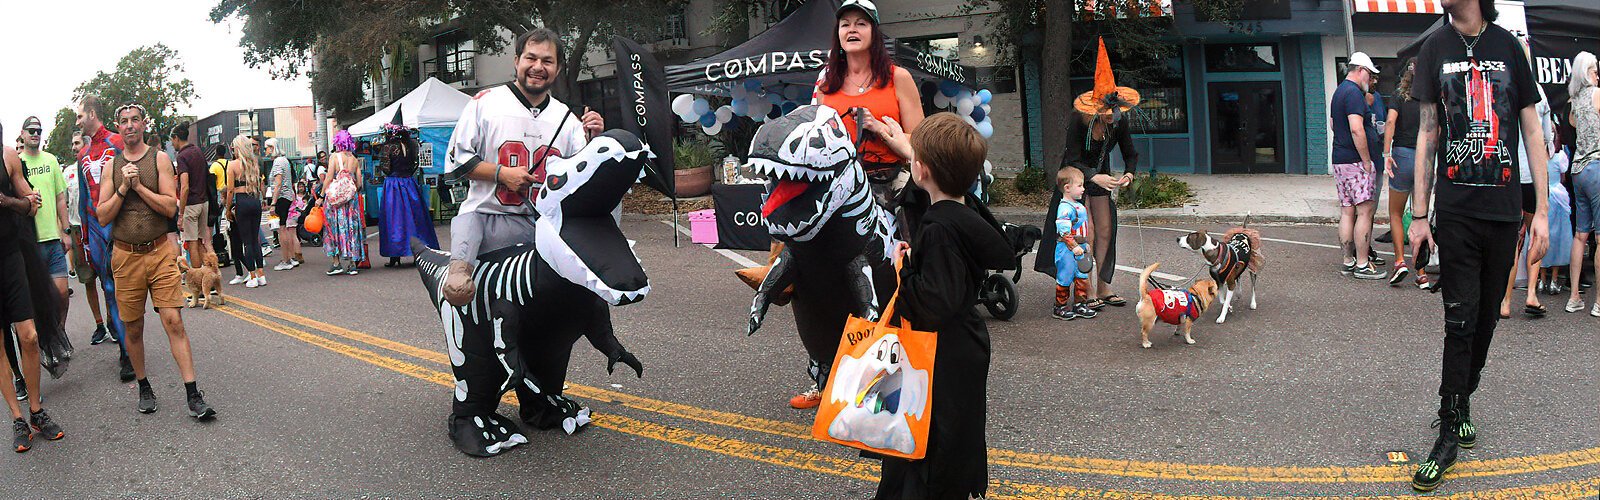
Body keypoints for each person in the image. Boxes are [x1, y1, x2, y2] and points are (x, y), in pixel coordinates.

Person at [1406, 0, 1550, 490]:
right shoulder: (1433, 48)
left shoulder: (1508, 46)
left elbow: (1532, 129)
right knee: (1460, 319)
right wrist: (1419, 216)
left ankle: (1464, 398)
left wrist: (1544, 212)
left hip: (1505, 208)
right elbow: (1427, 133)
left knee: (1488, 315)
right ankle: (1447, 430)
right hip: (1457, 211)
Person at [874, 111, 1009, 500]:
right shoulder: (963, 214)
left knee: (931, 446)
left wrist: (905, 271)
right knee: (951, 436)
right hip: (963, 348)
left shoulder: (937, 229)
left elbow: (934, 304)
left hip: (940, 355)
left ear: (922, 170)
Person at [440, 27, 604, 305]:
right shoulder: (485, 103)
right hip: (486, 217)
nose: (538, 67)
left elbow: (582, 180)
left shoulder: (567, 119)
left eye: (547, 61)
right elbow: (457, 163)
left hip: (542, 226)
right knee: (468, 294)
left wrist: (594, 140)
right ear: (516, 61)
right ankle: (458, 269)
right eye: (531, 58)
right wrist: (501, 174)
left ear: (558, 68)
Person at [95, 103, 218, 419]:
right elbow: (102, 214)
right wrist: (124, 186)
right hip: (125, 256)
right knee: (133, 329)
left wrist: (139, 187)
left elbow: (170, 207)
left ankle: (193, 394)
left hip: (160, 251)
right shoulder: (111, 167)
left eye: (135, 120)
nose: (130, 125)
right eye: (124, 121)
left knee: (174, 321)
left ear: (144, 124)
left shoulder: (159, 159)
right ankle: (144, 385)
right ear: (118, 127)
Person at [1035, 38, 1139, 309]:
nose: (1110, 116)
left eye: (1113, 112)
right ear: (1094, 109)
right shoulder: (1077, 120)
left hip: (1101, 178)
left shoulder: (1118, 121)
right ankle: (1086, 288)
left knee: (1106, 231)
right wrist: (1093, 177)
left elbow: (1131, 154)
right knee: (1086, 232)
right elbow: (1071, 158)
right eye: (1104, 112)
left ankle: (1104, 287)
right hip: (1077, 178)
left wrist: (1129, 174)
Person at [1, 129, 67, 452]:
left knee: (29, 336)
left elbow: (33, 205)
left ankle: (36, 411)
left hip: (11, 256)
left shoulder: (7, 156)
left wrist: (6, 201)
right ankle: (17, 418)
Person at [75, 96, 135, 381]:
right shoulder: (82, 154)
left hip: (121, 224)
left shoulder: (118, 142)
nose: (77, 121)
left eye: (79, 116)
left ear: (90, 114)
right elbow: (84, 199)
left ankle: (131, 344)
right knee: (109, 289)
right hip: (97, 228)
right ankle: (126, 352)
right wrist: (86, 240)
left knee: (127, 288)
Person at [1500, 42, 1555, 320]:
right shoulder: (1538, 92)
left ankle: (1506, 300)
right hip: (1533, 176)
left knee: (1512, 239)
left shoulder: (1503, 86)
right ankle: (1532, 293)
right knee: (1536, 233)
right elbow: (1545, 139)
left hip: (1510, 174)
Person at [1331, 52, 1388, 280]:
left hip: (1340, 159)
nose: (1371, 79)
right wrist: (1366, 160)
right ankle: (1363, 264)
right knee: (1364, 211)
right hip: (1356, 161)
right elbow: (1357, 128)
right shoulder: (1354, 93)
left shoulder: (1339, 92)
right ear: (1361, 70)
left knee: (1347, 210)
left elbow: (1335, 125)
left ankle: (1348, 261)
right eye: (1370, 74)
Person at [1382, 59, 1435, 289]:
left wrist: (1386, 153)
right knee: (1419, 214)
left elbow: (1391, 122)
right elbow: (1437, 128)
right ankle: (1421, 272)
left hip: (1402, 155)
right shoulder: (1430, 98)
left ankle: (1400, 261)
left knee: (1395, 212)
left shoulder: (1398, 96)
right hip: (1425, 158)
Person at [17, 117, 70, 331]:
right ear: (22, 133)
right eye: (31, 130)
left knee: (62, 294)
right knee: (38, 297)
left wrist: (66, 231)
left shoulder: (50, 160)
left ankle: (59, 332)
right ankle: (45, 338)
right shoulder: (17, 162)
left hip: (53, 238)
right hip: (31, 241)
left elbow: (60, 198)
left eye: (39, 130)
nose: (35, 134)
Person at [64, 132, 112, 343]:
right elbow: (63, 203)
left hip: (99, 228)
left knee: (107, 279)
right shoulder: (67, 173)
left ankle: (114, 323)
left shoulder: (98, 166)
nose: (74, 147)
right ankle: (99, 324)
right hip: (77, 231)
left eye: (78, 143)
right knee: (88, 279)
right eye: (72, 144)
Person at [1564, 50, 1600, 317]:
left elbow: (1574, 127)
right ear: (1587, 71)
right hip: (1598, 166)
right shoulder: (1597, 94)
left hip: (1578, 168)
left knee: (1580, 235)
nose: (1597, 73)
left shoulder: (1573, 100)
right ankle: (1599, 302)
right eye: (1594, 69)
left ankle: (1574, 296)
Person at [376, 124, 440, 267]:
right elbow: (415, 165)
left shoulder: (389, 147)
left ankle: (395, 256)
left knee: (394, 219)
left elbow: (386, 168)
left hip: (393, 185)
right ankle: (420, 253)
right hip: (409, 183)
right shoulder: (412, 145)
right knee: (415, 217)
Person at [1052, 167, 1096, 321]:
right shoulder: (1065, 208)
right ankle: (1060, 306)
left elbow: (1082, 229)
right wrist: (1074, 246)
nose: (1083, 189)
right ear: (1067, 188)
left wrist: (1084, 245)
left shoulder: (1078, 205)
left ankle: (1080, 304)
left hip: (1079, 248)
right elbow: (1064, 232)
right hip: (1067, 250)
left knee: (1082, 276)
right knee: (1065, 276)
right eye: (1080, 186)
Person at [224, 135, 267, 287]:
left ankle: (252, 276)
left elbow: (230, 190)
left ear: (238, 148)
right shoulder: (254, 163)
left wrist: (228, 209)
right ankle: (261, 274)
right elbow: (260, 184)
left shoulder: (232, 165)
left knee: (247, 242)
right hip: (255, 200)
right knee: (255, 240)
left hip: (242, 201)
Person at [322, 131, 368, 276]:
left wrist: (322, 194)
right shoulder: (354, 159)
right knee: (352, 228)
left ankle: (336, 263)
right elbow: (359, 182)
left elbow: (329, 177)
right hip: (351, 200)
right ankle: (353, 264)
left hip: (336, 202)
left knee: (334, 228)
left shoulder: (334, 157)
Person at [169, 122, 210, 266]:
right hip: (204, 201)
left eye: (172, 140)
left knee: (191, 242)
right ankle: (209, 275)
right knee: (201, 241)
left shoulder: (182, 156)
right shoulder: (198, 151)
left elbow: (184, 186)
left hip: (191, 204)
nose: (172, 143)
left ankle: (198, 278)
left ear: (176, 138)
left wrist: (181, 214)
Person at [265, 138, 302, 271]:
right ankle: (289, 258)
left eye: (267, 148)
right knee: (285, 227)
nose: (266, 151)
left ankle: (286, 259)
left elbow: (278, 183)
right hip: (287, 196)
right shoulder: (284, 160)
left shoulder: (277, 162)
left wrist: (273, 203)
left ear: (272, 147)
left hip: (281, 197)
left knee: (282, 230)